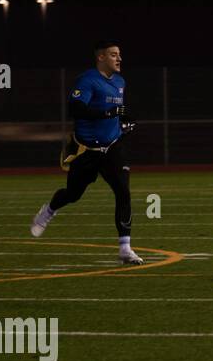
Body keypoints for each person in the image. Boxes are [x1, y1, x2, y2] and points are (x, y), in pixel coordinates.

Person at [29, 40, 143, 265]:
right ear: (100, 57)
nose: (119, 58)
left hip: (111, 147)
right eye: (113, 54)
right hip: (86, 150)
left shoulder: (120, 81)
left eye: (119, 54)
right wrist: (108, 113)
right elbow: (76, 109)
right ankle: (49, 210)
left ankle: (125, 248)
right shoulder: (87, 80)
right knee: (73, 194)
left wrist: (126, 124)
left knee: (123, 192)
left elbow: (118, 113)